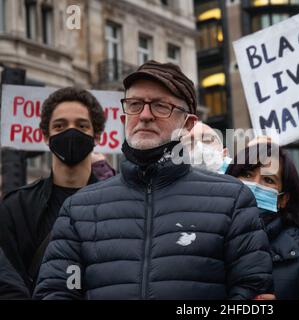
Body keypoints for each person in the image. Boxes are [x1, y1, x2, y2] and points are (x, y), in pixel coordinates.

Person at [33, 60, 273, 300]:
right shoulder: (79, 209)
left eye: (160, 106)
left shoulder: (231, 200)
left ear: (188, 124)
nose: (145, 115)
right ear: (123, 117)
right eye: (135, 104)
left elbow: (251, 293)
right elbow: (56, 292)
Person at [0, 87, 105, 293]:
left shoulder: (117, 206)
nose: (71, 132)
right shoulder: (15, 207)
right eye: (60, 126)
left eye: (81, 126)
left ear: (97, 136)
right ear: (46, 136)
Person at [226, 140, 299, 300]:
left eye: (269, 180)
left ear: (283, 199)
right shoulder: (204, 237)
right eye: (247, 174)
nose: (253, 185)